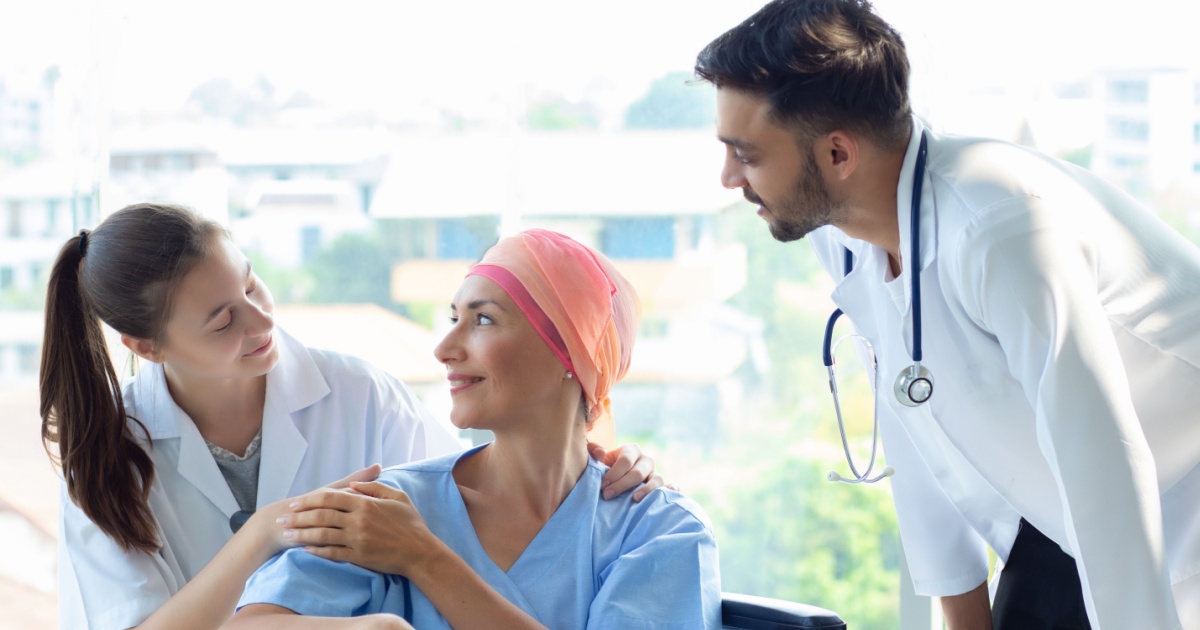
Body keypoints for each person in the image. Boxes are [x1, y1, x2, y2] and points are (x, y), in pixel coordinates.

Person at [694, 1, 1200, 628]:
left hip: (1165, 488)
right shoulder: (846, 232)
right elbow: (915, 412)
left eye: (745, 154)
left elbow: (1104, 460)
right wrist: (964, 616)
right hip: (1064, 511)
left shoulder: (1002, 230)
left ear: (837, 153)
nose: (726, 177)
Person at [40, 203, 661, 629]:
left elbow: (485, 486)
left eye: (252, 287)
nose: (262, 323)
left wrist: (604, 457)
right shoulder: (103, 459)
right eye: (223, 320)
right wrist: (264, 532)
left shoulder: (355, 394)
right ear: (146, 346)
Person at [229, 228, 722, 629]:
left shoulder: (658, 529)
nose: (444, 347)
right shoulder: (387, 509)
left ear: (571, 355)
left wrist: (425, 559)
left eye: (483, 319)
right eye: (452, 317)